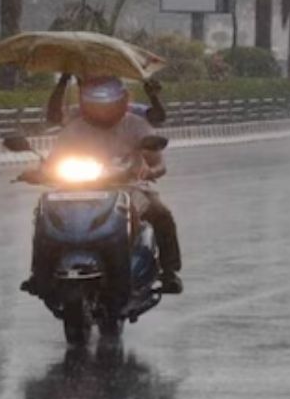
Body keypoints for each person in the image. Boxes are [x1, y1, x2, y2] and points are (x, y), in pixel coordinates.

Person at [25, 76, 183, 295]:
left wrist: (150, 170)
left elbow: (158, 163)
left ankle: (169, 272)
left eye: (107, 103)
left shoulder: (136, 124)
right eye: (96, 104)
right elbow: (54, 160)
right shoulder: (74, 128)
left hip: (128, 186)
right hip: (76, 188)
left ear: (122, 101)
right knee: (43, 213)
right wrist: (39, 172)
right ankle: (39, 273)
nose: (102, 110)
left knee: (161, 213)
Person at [46, 73, 166, 127]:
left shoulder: (130, 111)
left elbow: (159, 117)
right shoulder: (80, 113)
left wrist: (153, 96)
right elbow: (54, 117)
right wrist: (63, 81)